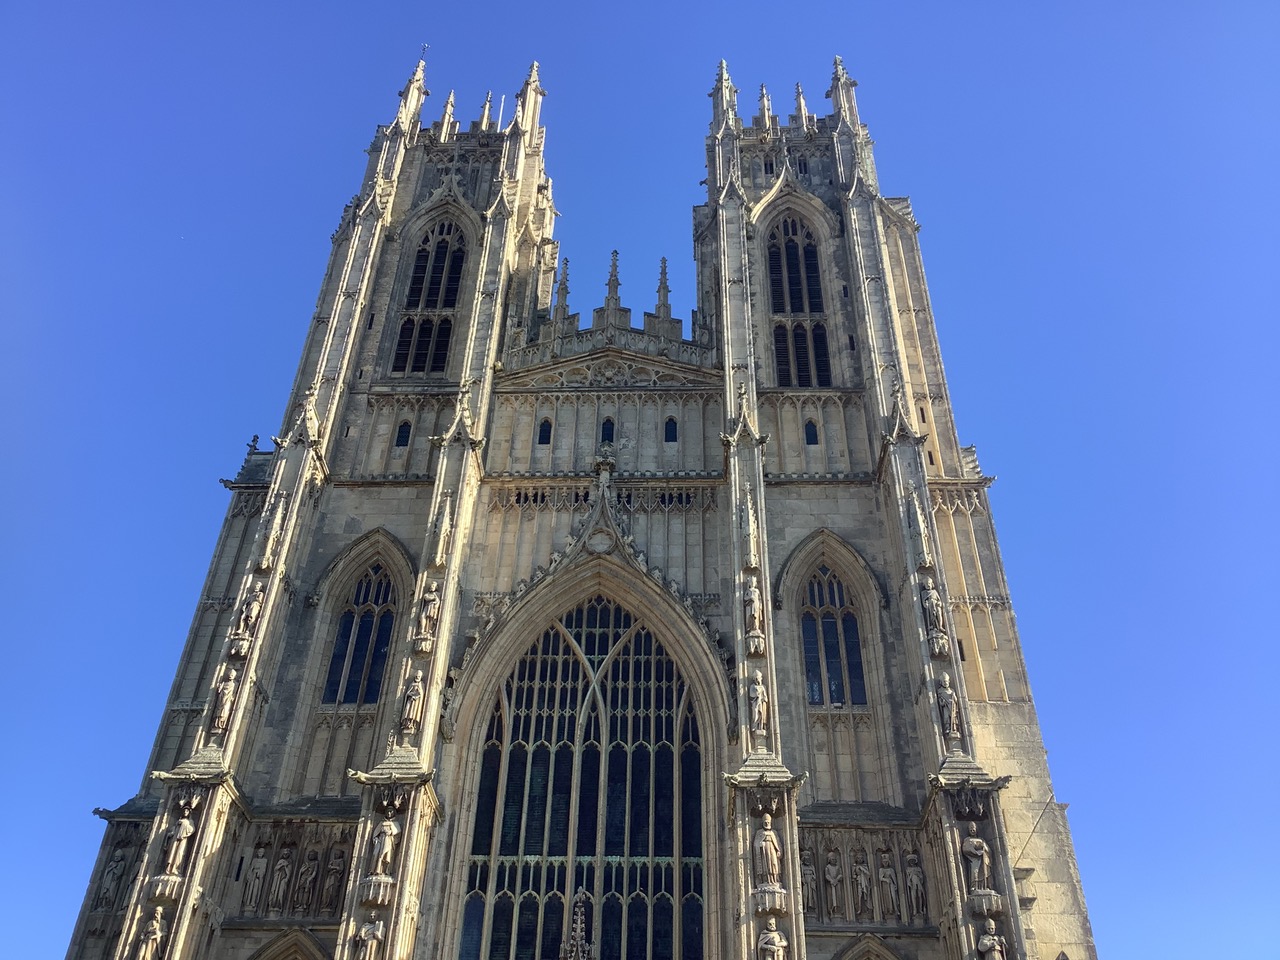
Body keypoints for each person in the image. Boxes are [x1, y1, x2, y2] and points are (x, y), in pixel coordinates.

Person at [752, 814, 782, 886]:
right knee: (765, 865)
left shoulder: (774, 832)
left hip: (772, 850)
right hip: (764, 850)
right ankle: (765, 880)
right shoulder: (759, 832)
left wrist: (779, 850)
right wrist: (760, 844)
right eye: (765, 822)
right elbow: (755, 843)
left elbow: (778, 843)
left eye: (768, 822)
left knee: (774, 864)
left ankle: (775, 879)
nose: (767, 824)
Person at [961, 822, 992, 891]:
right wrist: (976, 852)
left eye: (973, 830)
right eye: (971, 830)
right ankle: (974, 887)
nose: (972, 831)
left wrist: (984, 848)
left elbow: (988, 850)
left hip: (983, 858)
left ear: (976, 830)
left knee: (984, 872)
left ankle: (984, 886)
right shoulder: (967, 839)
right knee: (975, 872)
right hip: (973, 859)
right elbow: (965, 848)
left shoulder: (981, 839)